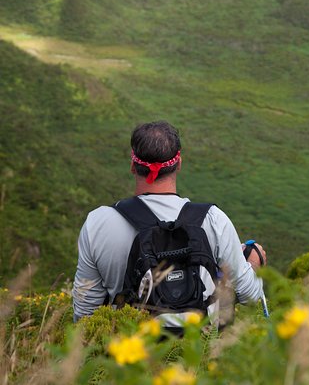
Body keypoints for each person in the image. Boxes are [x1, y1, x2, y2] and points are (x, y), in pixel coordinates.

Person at [72, 121, 266, 326]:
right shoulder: (214, 220)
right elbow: (251, 297)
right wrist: (253, 265)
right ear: (179, 163)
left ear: (132, 165)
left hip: (130, 353)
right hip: (201, 352)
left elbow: (85, 310)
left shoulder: (97, 223)